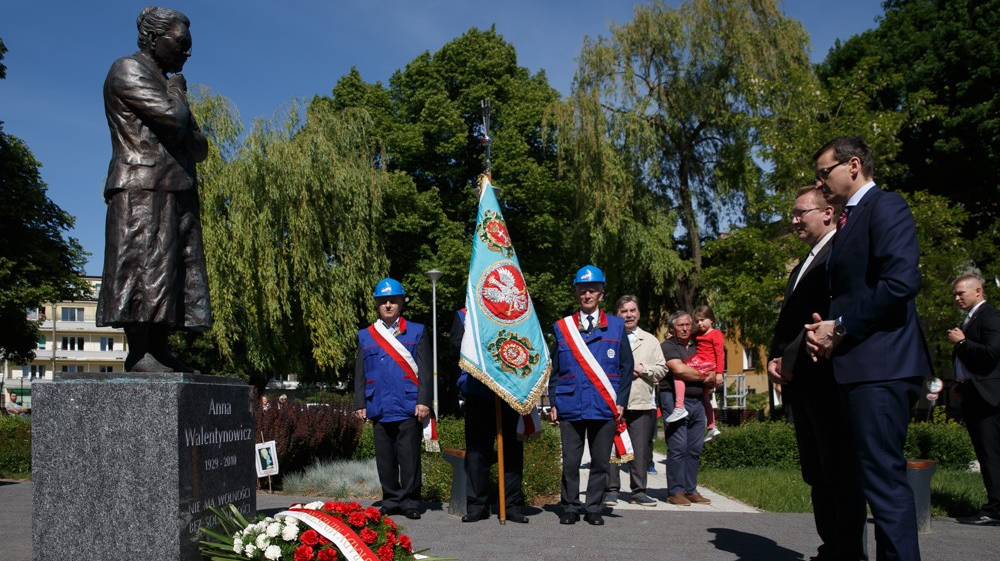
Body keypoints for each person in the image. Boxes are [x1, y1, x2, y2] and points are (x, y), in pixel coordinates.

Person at [806, 136, 933, 561]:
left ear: (854, 165)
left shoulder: (886, 206)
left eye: (825, 172)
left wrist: (839, 327)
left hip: (882, 368)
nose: (820, 183)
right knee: (855, 479)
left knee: (883, 479)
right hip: (853, 370)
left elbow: (900, 282)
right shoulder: (846, 221)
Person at [97, 6, 210, 373]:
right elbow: (176, 120)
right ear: (152, 38)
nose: (186, 53)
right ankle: (140, 351)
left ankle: (160, 349)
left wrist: (177, 106)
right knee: (143, 269)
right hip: (141, 187)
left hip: (174, 188)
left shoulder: (162, 81)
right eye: (180, 43)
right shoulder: (128, 70)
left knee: (171, 272)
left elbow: (200, 147)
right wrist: (177, 91)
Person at [767, 185, 868, 560]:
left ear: (827, 213)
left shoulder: (839, 255)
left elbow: (825, 321)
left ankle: (849, 550)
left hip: (828, 379)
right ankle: (831, 546)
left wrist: (790, 358)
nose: (794, 221)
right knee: (817, 472)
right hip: (802, 384)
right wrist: (775, 358)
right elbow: (791, 320)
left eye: (800, 213)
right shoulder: (803, 263)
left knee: (839, 470)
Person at [549, 265, 633, 525]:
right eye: (583, 290)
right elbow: (555, 369)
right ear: (576, 293)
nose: (587, 295)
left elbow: (626, 367)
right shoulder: (562, 328)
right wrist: (553, 402)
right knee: (571, 461)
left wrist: (620, 402)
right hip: (570, 403)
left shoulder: (617, 326)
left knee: (600, 462)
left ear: (601, 294)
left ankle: (594, 508)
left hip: (604, 405)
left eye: (592, 290)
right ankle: (571, 506)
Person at [354, 278, 432, 520]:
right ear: (377, 305)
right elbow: (360, 371)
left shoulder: (417, 330)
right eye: (383, 301)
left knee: (409, 457)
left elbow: (426, 369)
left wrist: (424, 400)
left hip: (408, 404)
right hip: (378, 403)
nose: (388, 305)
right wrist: (359, 402)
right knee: (385, 458)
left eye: (393, 301)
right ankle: (390, 499)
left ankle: (409, 501)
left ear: (401, 304)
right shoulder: (366, 335)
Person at [451, 308, 529, 523]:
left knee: (512, 450)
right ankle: (478, 505)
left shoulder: (514, 314)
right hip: (477, 392)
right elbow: (456, 349)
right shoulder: (463, 315)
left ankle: (511, 504)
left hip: (509, 390)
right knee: (477, 452)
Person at [604, 295, 667, 507]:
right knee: (612, 447)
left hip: (641, 402)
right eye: (624, 311)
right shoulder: (608, 337)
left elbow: (662, 369)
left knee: (639, 450)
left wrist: (643, 369)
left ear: (638, 313)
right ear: (617, 314)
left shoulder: (650, 340)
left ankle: (638, 491)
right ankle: (611, 490)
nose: (629, 315)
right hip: (613, 402)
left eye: (632, 310)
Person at [948, 274, 1000, 526]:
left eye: (961, 293)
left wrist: (962, 342)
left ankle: (995, 509)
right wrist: (960, 383)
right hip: (973, 394)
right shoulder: (972, 318)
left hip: (988, 399)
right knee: (985, 452)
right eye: (955, 294)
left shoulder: (991, 317)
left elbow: (991, 354)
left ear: (978, 291)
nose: (957, 298)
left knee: (991, 454)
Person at [659, 311, 714, 506]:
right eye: (680, 325)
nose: (684, 328)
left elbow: (712, 365)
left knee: (694, 448)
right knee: (678, 446)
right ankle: (675, 491)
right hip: (674, 400)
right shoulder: (668, 346)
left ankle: (690, 490)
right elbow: (679, 370)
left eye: (687, 325)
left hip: (698, 399)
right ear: (672, 329)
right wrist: (704, 375)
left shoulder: (697, 346)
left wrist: (712, 375)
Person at [674, 305, 724, 442]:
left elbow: (720, 354)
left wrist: (719, 373)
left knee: (679, 372)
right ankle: (712, 426)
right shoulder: (697, 335)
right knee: (706, 397)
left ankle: (679, 405)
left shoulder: (716, 334)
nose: (699, 323)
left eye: (702, 320)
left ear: (712, 320)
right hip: (699, 364)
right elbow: (684, 334)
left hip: (707, 365)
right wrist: (672, 334)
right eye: (697, 321)